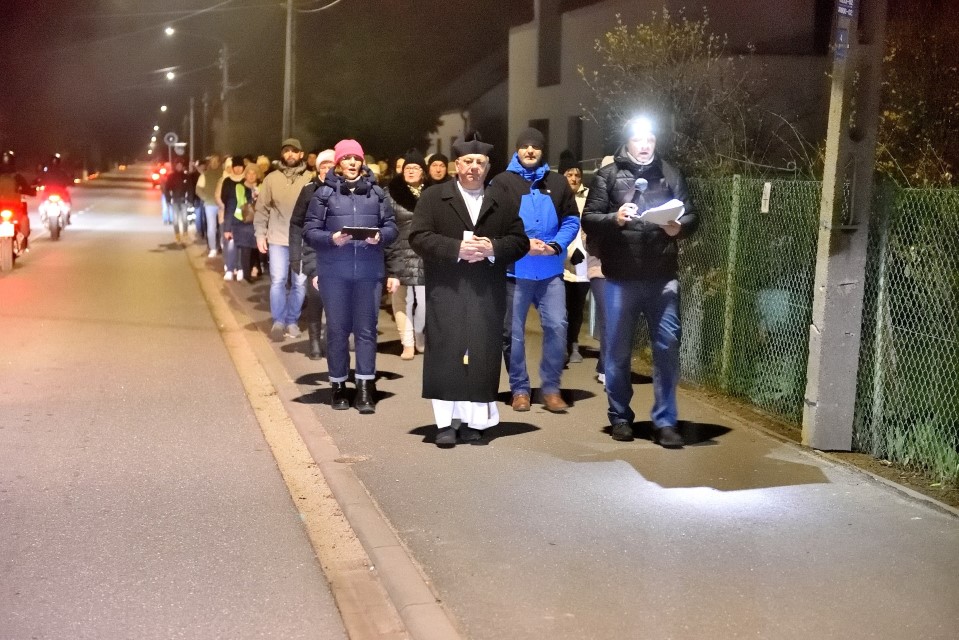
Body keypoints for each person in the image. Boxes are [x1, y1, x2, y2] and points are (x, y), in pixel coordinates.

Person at [581, 116, 698, 447]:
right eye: (638, 139)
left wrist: (680, 227)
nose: (645, 146)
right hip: (620, 278)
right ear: (627, 142)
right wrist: (615, 218)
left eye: (650, 139)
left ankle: (665, 421)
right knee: (618, 351)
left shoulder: (670, 173)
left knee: (667, 347)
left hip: (662, 277)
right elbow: (588, 219)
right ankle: (620, 417)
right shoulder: (607, 175)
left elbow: (692, 215)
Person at [409, 131, 529, 447]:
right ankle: (445, 424)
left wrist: (492, 248)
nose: (474, 167)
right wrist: (456, 249)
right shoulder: (433, 197)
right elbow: (418, 237)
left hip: (486, 290)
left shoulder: (502, 200)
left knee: (482, 351)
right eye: (468, 161)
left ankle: (475, 422)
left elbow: (520, 241)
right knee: (446, 351)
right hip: (446, 287)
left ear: (487, 167)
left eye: (480, 162)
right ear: (457, 165)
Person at [303, 139, 398, 414]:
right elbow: (309, 231)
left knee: (366, 331)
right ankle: (338, 387)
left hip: (369, 273)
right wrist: (331, 238)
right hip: (334, 272)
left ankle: (365, 388)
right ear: (338, 163)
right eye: (347, 158)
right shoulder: (323, 194)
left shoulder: (377, 193)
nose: (352, 163)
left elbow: (392, 227)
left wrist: (380, 236)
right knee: (337, 330)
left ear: (362, 162)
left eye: (356, 158)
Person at [495, 128, 580, 414]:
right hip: (514, 272)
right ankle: (520, 389)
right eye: (525, 146)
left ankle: (551, 388)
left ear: (543, 151)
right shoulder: (502, 182)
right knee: (513, 333)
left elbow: (571, 220)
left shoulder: (557, 182)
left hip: (550, 272)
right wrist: (520, 244)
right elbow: (493, 224)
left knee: (557, 326)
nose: (530, 150)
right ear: (517, 150)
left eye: (535, 146)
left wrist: (556, 245)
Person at [254, 138, 314, 341]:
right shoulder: (271, 179)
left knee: (300, 284)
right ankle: (278, 321)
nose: (290, 154)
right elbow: (261, 208)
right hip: (277, 238)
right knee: (278, 281)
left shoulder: (310, 178)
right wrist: (260, 234)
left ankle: (292, 321)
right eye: (286, 151)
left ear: (301, 154)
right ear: (282, 154)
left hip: (302, 240)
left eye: (294, 151)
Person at [290, 149, 336, 360]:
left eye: (330, 165)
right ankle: (315, 342)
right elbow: (296, 223)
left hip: (338, 253)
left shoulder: (342, 189)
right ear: (317, 169)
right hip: (313, 252)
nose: (327, 170)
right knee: (316, 298)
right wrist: (295, 255)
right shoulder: (309, 190)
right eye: (323, 166)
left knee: (335, 301)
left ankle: (333, 341)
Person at [385, 149, 428, 360]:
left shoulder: (432, 193)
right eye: (407, 168)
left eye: (415, 168)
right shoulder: (391, 193)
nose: (410, 171)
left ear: (423, 172)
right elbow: (385, 223)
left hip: (425, 252)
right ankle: (407, 343)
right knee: (401, 299)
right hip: (398, 250)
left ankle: (419, 333)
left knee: (425, 300)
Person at [558, 151, 590, 365]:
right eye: (569, 174)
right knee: (561, 305)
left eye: (577, 175)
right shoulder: (556, 196)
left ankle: (574, 342)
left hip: (583, 259)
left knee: (577, 306)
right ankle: (561, 345)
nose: (574, 179)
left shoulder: (589, 196)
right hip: (561, 260)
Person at [222, 163, 260, 282]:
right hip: (240, 223)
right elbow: (231, 207)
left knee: (255, 249)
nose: (251, 176)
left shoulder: (262, 188)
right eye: (249, 173)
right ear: (245, 174)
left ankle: (251, 270)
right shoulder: (238, 187)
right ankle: (241, 272)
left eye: (254, 173)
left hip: (257, 224)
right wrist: (227, 228)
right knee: (243, 249)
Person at [0, 149, 34, 246]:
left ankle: (23, 240)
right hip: (14, 207)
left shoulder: (17, 176)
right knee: (23, 213)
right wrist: (32, 192)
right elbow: (28, 189)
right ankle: (24, 241)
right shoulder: (17, 176)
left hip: (5, 207)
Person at [195, 154, 223, 258]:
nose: (214, 163)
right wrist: (206, 198)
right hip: (210, 205)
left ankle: (222, 246)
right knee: (211, 228)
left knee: (223, 227)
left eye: (216, 161)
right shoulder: (205, 175)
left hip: (222, 205)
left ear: (219, 162)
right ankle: (213, 248)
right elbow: (198, 189)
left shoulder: (224, 174)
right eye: (212, 161)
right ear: (210, 163)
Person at [164, 159, 194, 243]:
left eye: (181, 165)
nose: (179, 167)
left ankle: (185, 233)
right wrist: (168, 199)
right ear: (175, 166)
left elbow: (190, 189)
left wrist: (190, 200)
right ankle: (177, 235)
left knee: (184, 219)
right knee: (175, 220)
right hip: (174, 201)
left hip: (184, 201)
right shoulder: (171, 176)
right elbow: (167, 189)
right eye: (178, 165)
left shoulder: (186, 177)